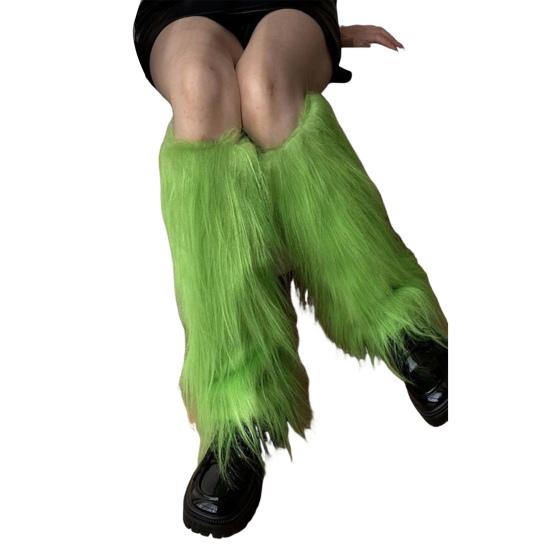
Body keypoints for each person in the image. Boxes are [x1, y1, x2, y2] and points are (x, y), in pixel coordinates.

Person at [132, 0, 448, 538]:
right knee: (200, 88)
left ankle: (399, 320)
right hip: (184, 5)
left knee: (265, 88)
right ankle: (235, 406)